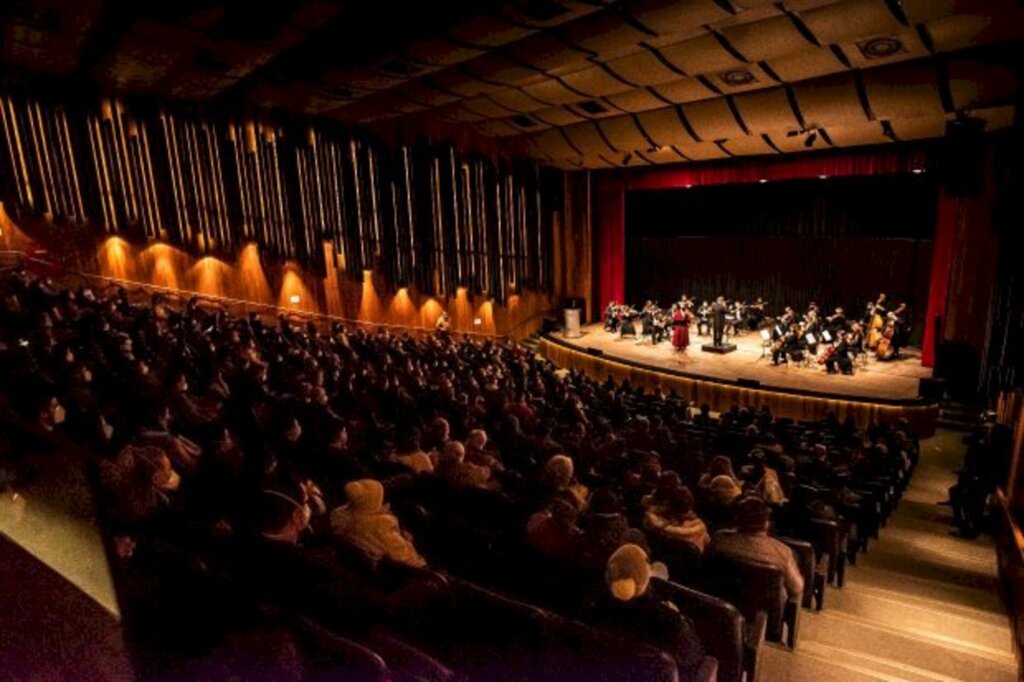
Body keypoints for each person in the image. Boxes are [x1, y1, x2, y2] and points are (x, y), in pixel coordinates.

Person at [709, 496, 804, 601]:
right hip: (762, 612)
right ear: (766, 523)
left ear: (737, 518)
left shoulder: (719, 539)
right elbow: (796, 588)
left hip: (721, 603)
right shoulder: (782, 552)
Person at [330, 479, 427, 569]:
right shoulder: (381, 524)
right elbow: (403, 556)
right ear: (375, 499)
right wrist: (408, 542)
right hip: (397, 572)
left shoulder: (340, 516)